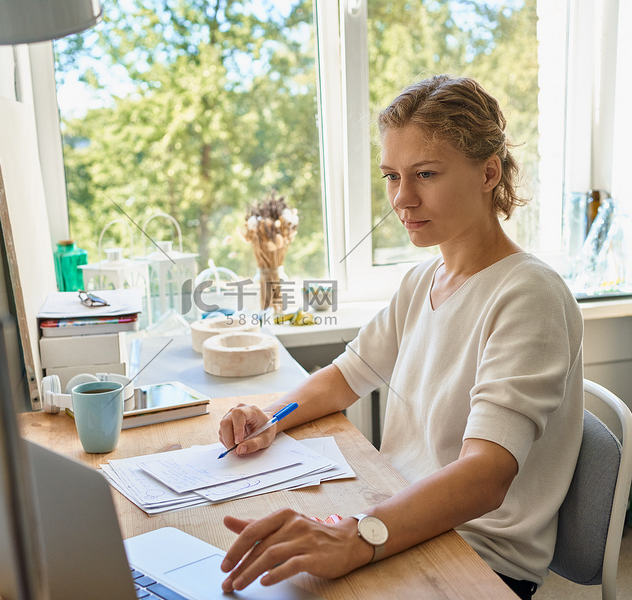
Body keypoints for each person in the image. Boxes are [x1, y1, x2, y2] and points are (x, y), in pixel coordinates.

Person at [217, 75, 583, 600]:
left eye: (426, 174)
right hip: (396, 518)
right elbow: (345, 377)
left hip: (475, 555)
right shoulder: (421, 281)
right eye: (392, 176)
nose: (402, 199)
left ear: (489, 172)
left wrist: (358, 533)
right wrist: (269, 419)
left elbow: (485, 475)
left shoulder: (530, 295)